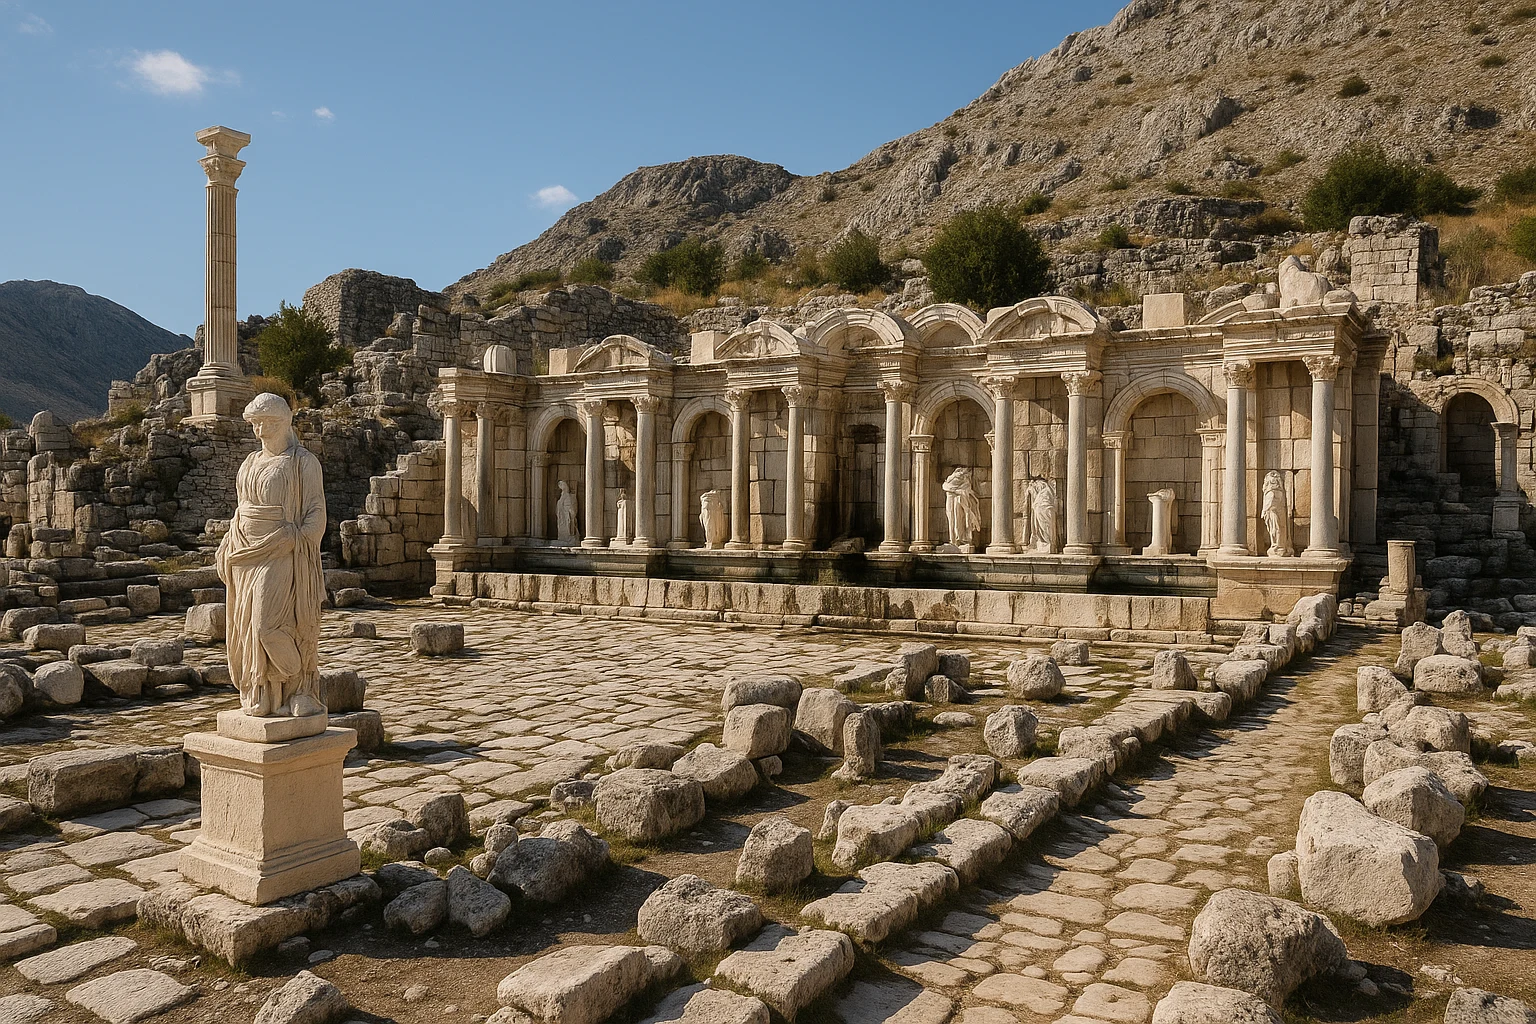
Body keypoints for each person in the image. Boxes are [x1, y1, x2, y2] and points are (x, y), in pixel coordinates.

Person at [216, 393, 326, 718]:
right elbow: (241, 509)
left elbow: (316, 511)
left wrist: (296, 537)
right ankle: (262, 691)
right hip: (244, 552)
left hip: (282, 551)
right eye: (256, 424)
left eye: (267, 423)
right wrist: (227, 541)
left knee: (267, 626)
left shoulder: (302, 462)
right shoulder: (250, 463)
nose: (260, 431)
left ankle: (299, 686)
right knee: (245, 623)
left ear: (284, 422)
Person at [941, 467, 982, 551]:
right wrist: (955, 491)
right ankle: (953, 540)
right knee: (952, 519)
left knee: (959, 520)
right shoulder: (950, 480)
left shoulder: (965, 481)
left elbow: (967, 490)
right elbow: (945, 486)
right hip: (951, 500)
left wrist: (958, 491)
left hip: (960, 501)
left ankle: (961, 539)